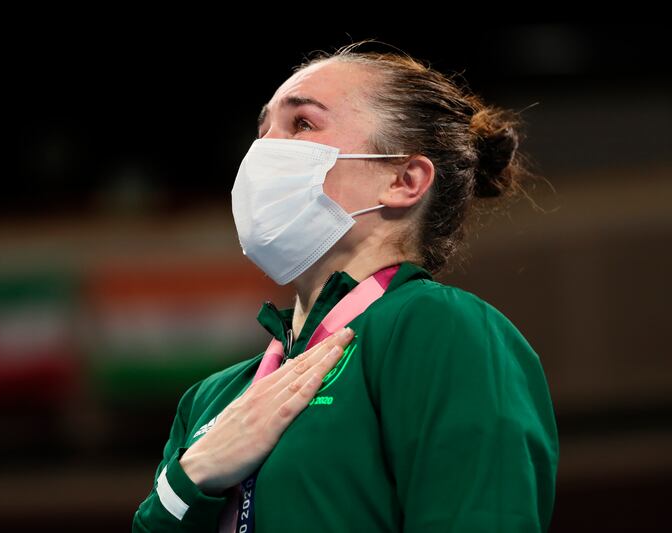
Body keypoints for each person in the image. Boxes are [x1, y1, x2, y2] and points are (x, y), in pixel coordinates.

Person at [132, 39, 559, 533]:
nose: (263, 150)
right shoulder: (210, 400)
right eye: (262, 129)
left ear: (404, 180)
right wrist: (191, 478)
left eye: (302, 123)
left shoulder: (441, 331)